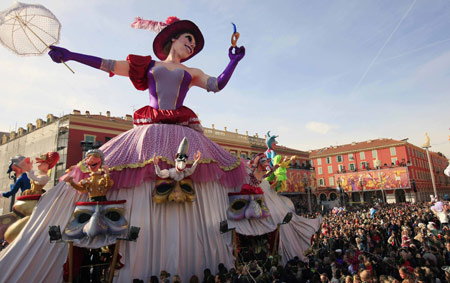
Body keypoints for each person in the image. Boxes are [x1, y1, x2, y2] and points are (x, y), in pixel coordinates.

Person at [48, 17, 245, 133]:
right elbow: (108, 65)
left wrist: (233, 62)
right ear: (173, 38)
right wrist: (72, 55)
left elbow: (217, 85)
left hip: (181, 125)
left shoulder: (192, 72)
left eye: (194, 46)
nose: (192, 45)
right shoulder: (147, 64)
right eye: (189, 39)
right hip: (151, 125)